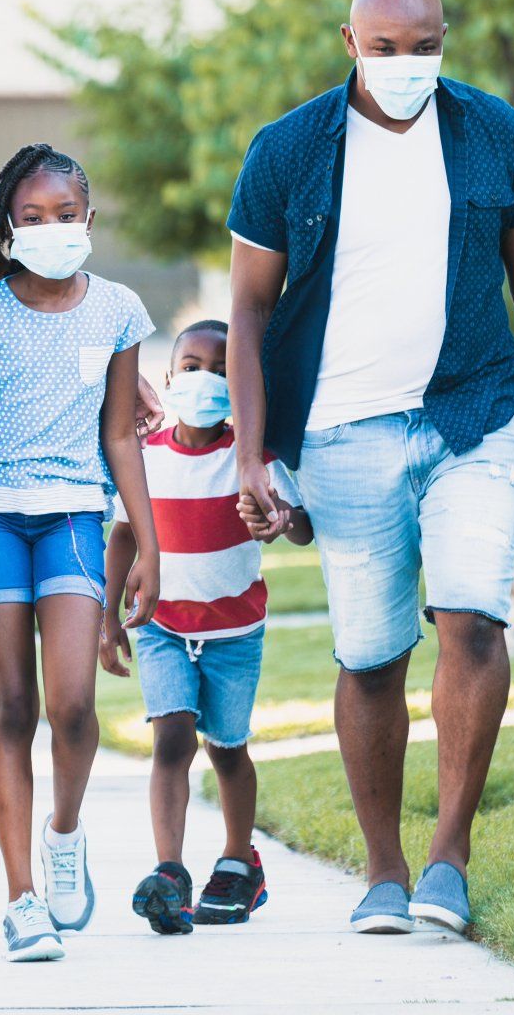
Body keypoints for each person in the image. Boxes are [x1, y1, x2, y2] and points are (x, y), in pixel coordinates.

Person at [225, 0, 514, 938]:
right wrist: (251, 452)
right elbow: (247, 305)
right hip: (342, 428)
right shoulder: (286, 152)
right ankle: (385, 867)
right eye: (386, 47)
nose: (408, 65)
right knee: (370, 656)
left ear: (444, 39)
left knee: (473, 621)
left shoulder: (495, 135)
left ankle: (450, 851)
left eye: (426, 46)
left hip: (473, 414)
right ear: (350, 40)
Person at [0, 143, 161, 963]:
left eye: (66, 215)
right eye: (32, 218)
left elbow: (121, 438)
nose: (52, 228)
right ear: (8, 228)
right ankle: (21, 899)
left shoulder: (120, 312)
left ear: (90, 220)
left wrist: (149, 546)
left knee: (72, 703)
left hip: (72, 514)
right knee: (12, 707)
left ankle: (65, 835)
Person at [103, 319, 312, 936]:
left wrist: (280, 519)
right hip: (163, 625)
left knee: (227, 749)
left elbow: (300, 524)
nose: (204, 380)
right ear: (168, 380)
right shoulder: (146, 456)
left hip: (234, 630)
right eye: (191, 368)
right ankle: (170, 872)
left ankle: (237, 860)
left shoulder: (254, 459)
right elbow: (121, 536)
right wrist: (109, 618)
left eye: (222, 371)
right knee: (172, 741)